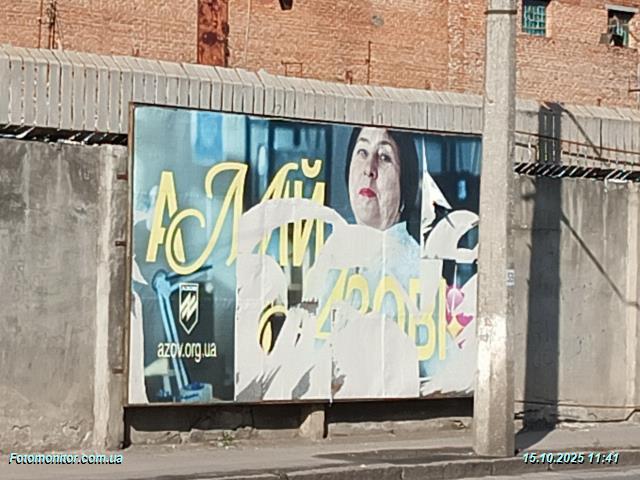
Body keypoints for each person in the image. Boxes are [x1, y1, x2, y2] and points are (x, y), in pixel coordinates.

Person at [346, 127, 419, 238]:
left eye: (384, 157)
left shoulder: (419, 250)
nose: (369, 169)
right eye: (363, 152)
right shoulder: (331, 246)